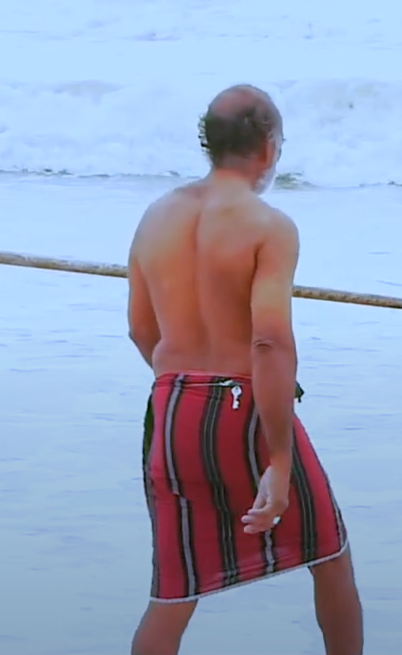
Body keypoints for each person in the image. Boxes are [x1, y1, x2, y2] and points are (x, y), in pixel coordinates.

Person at [125, 84, 363, 654]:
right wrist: (277, 459)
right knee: (330, 557)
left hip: (173, 405)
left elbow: (140, 330)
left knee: (174, 590)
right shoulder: (268, 225)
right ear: (268, 148)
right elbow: (269, 341)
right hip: (246, 406)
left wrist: (185, 388)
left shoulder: (155, 217)